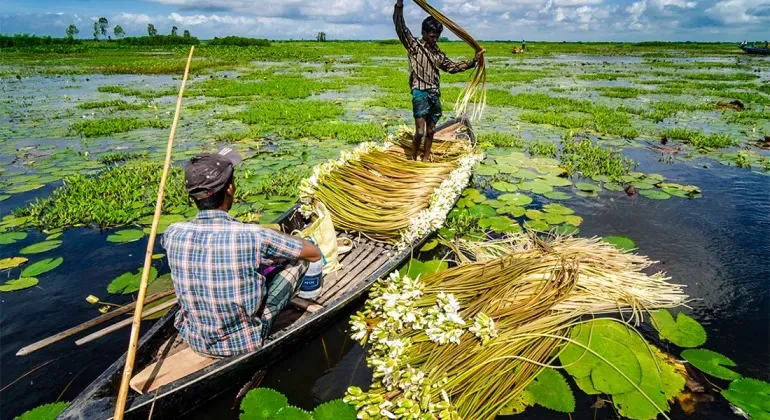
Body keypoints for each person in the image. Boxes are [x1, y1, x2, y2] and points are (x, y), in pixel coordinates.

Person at [161, 147, 322, 357]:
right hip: (243, 343)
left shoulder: (173, 232)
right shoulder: (253, 235)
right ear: (229, 189)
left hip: (195, 340)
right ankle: (309, 295)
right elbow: (313, 252)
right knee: (301, 260)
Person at [393, 0, 484, 162]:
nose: (435, 39)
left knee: (432, 130)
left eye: (437, 37)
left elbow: (452, 67)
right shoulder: (414, 47)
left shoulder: (438, 54)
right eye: (432, 36)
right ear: (424, 33)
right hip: (420, 92)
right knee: (420, 131)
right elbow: (401, 27)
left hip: (434, 93)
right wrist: (399, 5)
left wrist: (473, 61)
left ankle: (426, 156)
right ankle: (413, 159)